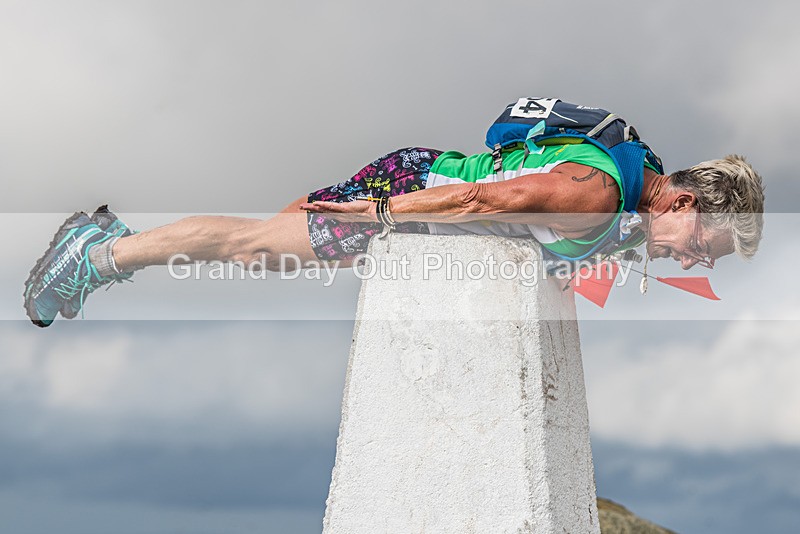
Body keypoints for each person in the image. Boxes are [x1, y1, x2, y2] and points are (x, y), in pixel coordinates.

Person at [23, 140, 764, 327]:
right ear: (686, 201)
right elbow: (477, 199)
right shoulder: (600, 197)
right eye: (708, 243)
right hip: (420, 192)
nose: (698, 260)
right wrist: (382, 212)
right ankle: (96, 255)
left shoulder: (631, 197)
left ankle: (109, 245)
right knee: (258, 246)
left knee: (266, 247)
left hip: (417, 188)